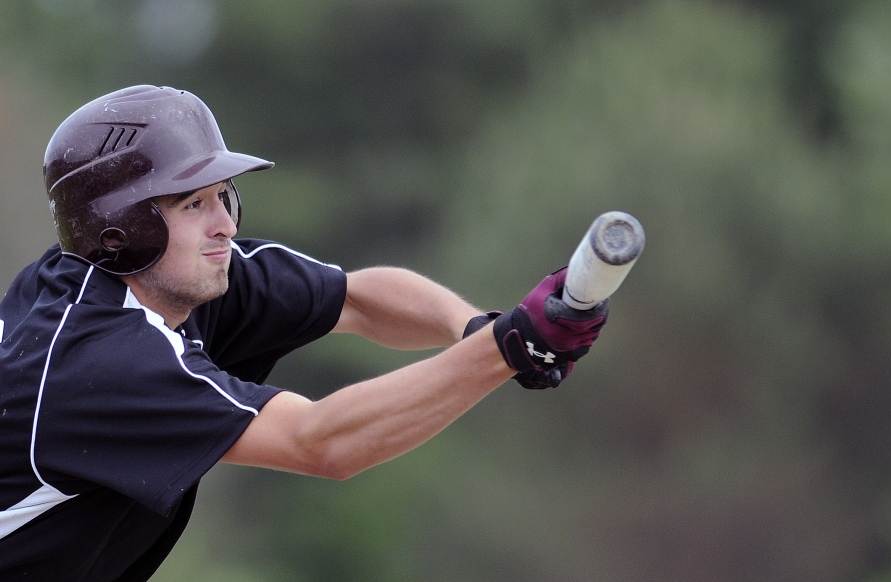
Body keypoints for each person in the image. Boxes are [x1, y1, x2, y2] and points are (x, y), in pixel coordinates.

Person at [0, 85, 608, 581]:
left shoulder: (159, 277)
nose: (225, 227)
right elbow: (320, 444)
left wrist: (476, 328)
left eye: (223, 197)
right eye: (193, 205)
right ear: (119, 230)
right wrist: (503, 352)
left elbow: (360, 300)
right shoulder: (98, 360)